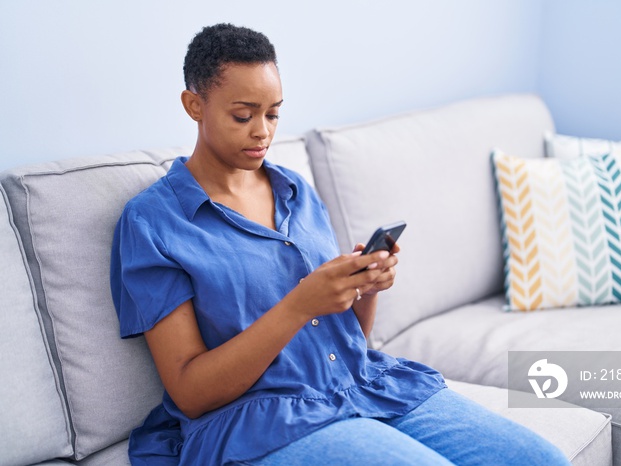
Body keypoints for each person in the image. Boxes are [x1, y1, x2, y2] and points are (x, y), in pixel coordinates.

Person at [110, 23, 571, 466]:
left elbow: (347, 338)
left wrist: (363, 287)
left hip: (359, 382)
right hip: (262, 418)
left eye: (273, 114)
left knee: (542, 459)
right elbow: (190, 393)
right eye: (243, 115)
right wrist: (296, 306)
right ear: (194, 105)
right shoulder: (154, 221)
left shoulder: (295, 190)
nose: (263, 132)